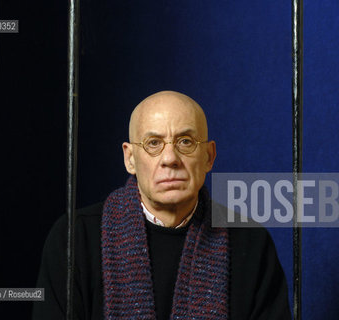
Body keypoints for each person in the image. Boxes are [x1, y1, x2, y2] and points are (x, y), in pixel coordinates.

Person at [32, 91, 291, 320]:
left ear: (209, 157)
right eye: (153, 143)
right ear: (130, 158)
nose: (170, 158)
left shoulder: (251, 243)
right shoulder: (75, 238)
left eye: (186, 142)